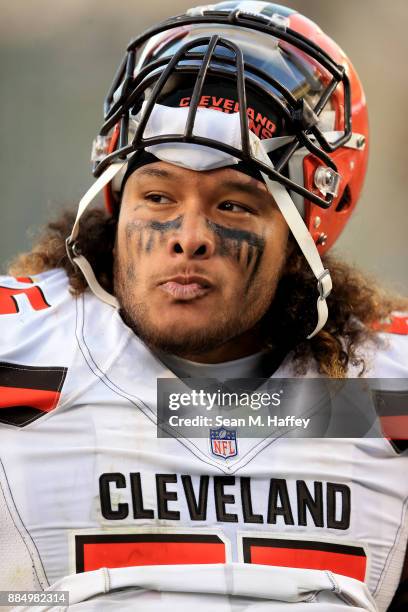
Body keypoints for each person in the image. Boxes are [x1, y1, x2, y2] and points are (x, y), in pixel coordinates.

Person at [0, 1, 407, 610]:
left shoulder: (384, 381)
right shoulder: (19, 346)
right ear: (113, 203)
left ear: (303, 236)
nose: (187, 234)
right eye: (159, 195)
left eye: (233, 205)